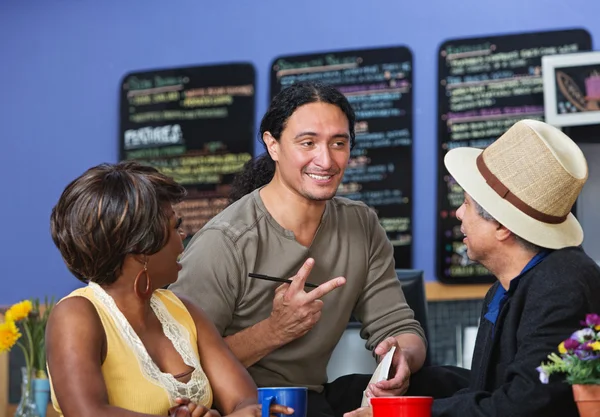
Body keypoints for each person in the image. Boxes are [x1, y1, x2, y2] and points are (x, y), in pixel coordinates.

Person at [169, 81, 427, 417]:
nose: (326, 159)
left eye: (339, 143)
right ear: (272, 145)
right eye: (308, 143)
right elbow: (180, 370)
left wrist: (400, 357)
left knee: (446, 385)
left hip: (313, 398)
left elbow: (399, 326)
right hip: (245, 405)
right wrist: (273, 331)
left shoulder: (361, 224)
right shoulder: (225, 240)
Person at [346, 119, 600, 417]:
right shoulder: (503, 289)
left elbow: (524, 405)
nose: (458, 213)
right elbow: (486, 393)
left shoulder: (562, 283)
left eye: (466, 203)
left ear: (502, 226)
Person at [47, 162, 293, 417]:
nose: (183, 236)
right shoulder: (76, 314)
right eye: (175, 227)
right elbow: (87, 413)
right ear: (141, 245)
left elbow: (244, 401)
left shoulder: (185, 311)